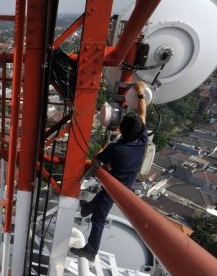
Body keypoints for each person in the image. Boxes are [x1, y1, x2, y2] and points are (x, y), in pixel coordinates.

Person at [70, 80, 148, 261]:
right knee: (100, 200)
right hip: (124, 183)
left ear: (121, 128)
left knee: (99, 218)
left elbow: (97, 159)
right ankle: (85, 209)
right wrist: (141, 93)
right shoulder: (141, 139)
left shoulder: (117, 149)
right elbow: (142, 113)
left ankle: (91, 250)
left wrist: (103, 149)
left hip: (115, 187)